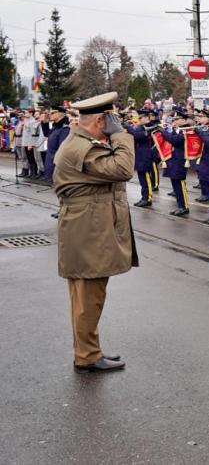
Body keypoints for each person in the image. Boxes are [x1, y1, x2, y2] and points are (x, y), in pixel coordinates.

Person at [52, 91, 137, 373]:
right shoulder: (83, 147)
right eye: (110, 119)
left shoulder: (81, 141)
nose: (114, 123)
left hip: (85, 226)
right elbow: (123, 168)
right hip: (87, 230)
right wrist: (122, 135)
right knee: (89, 297)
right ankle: (87, 356)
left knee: (85, 297)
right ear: (101, 120)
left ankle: (88, 350)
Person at [161, 111, 192, 216]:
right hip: (173, 158)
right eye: (173, 120)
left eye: (176, 119)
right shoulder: (177, 129)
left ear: (183, 120)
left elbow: (175, 140)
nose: (174, 121)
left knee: (180, 184)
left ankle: (184, 206)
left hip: (180, 159)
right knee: (175, 183)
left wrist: (162, 131)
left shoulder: (186, 130)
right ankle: (180, 206)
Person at [127, 110, 158, 207]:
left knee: (146, 179)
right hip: (140, 155)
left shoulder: (149, 126)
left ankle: (147, 198)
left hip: (146, 156)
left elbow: (137, 136)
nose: (139, 119)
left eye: (141, 118)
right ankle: (143, 197)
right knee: (142, 179)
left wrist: (128, 127)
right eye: (139, 118)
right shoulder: (140, 127)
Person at [44, 105, 71, 182]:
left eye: (52, 113)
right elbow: (47, 135)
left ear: (60, 114)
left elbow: (62, 150)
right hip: (50, 159)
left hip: (56, 162)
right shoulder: (55, 127)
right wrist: (44, 123)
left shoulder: (64, 128)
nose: (50, 114)